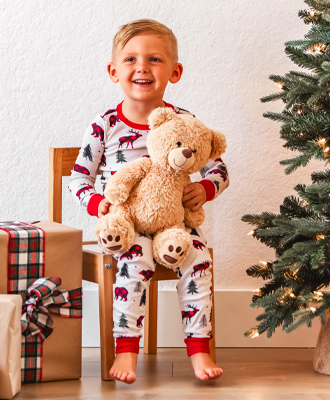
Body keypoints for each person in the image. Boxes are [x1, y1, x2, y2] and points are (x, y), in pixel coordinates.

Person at [68, 19, 228, 383]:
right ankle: (126, 351)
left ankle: (199, 349)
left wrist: (204, 189)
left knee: (198, 258)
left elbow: (219, 169)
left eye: (154, 59)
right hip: (126, 226)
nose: (142, 67)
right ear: (113, 71)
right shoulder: (105, 124)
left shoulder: (185, 122)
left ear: (175, 72)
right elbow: (79, 177)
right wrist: (97, 204)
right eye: (130, 59)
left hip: (176, 225)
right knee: (133, 259)